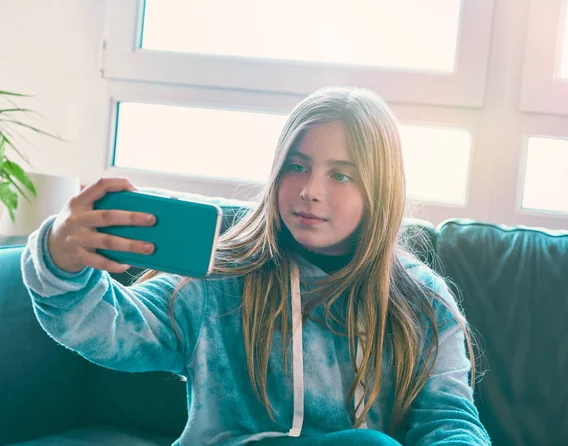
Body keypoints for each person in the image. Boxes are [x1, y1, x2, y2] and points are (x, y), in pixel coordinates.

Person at [21, 86, 491, 445]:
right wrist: (59, 261)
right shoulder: (222, 276)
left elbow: (448, 418)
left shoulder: (420, 300)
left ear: (380, 191)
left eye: (341, 175)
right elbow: (114, 330)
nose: (310, 189)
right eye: (297, 166)